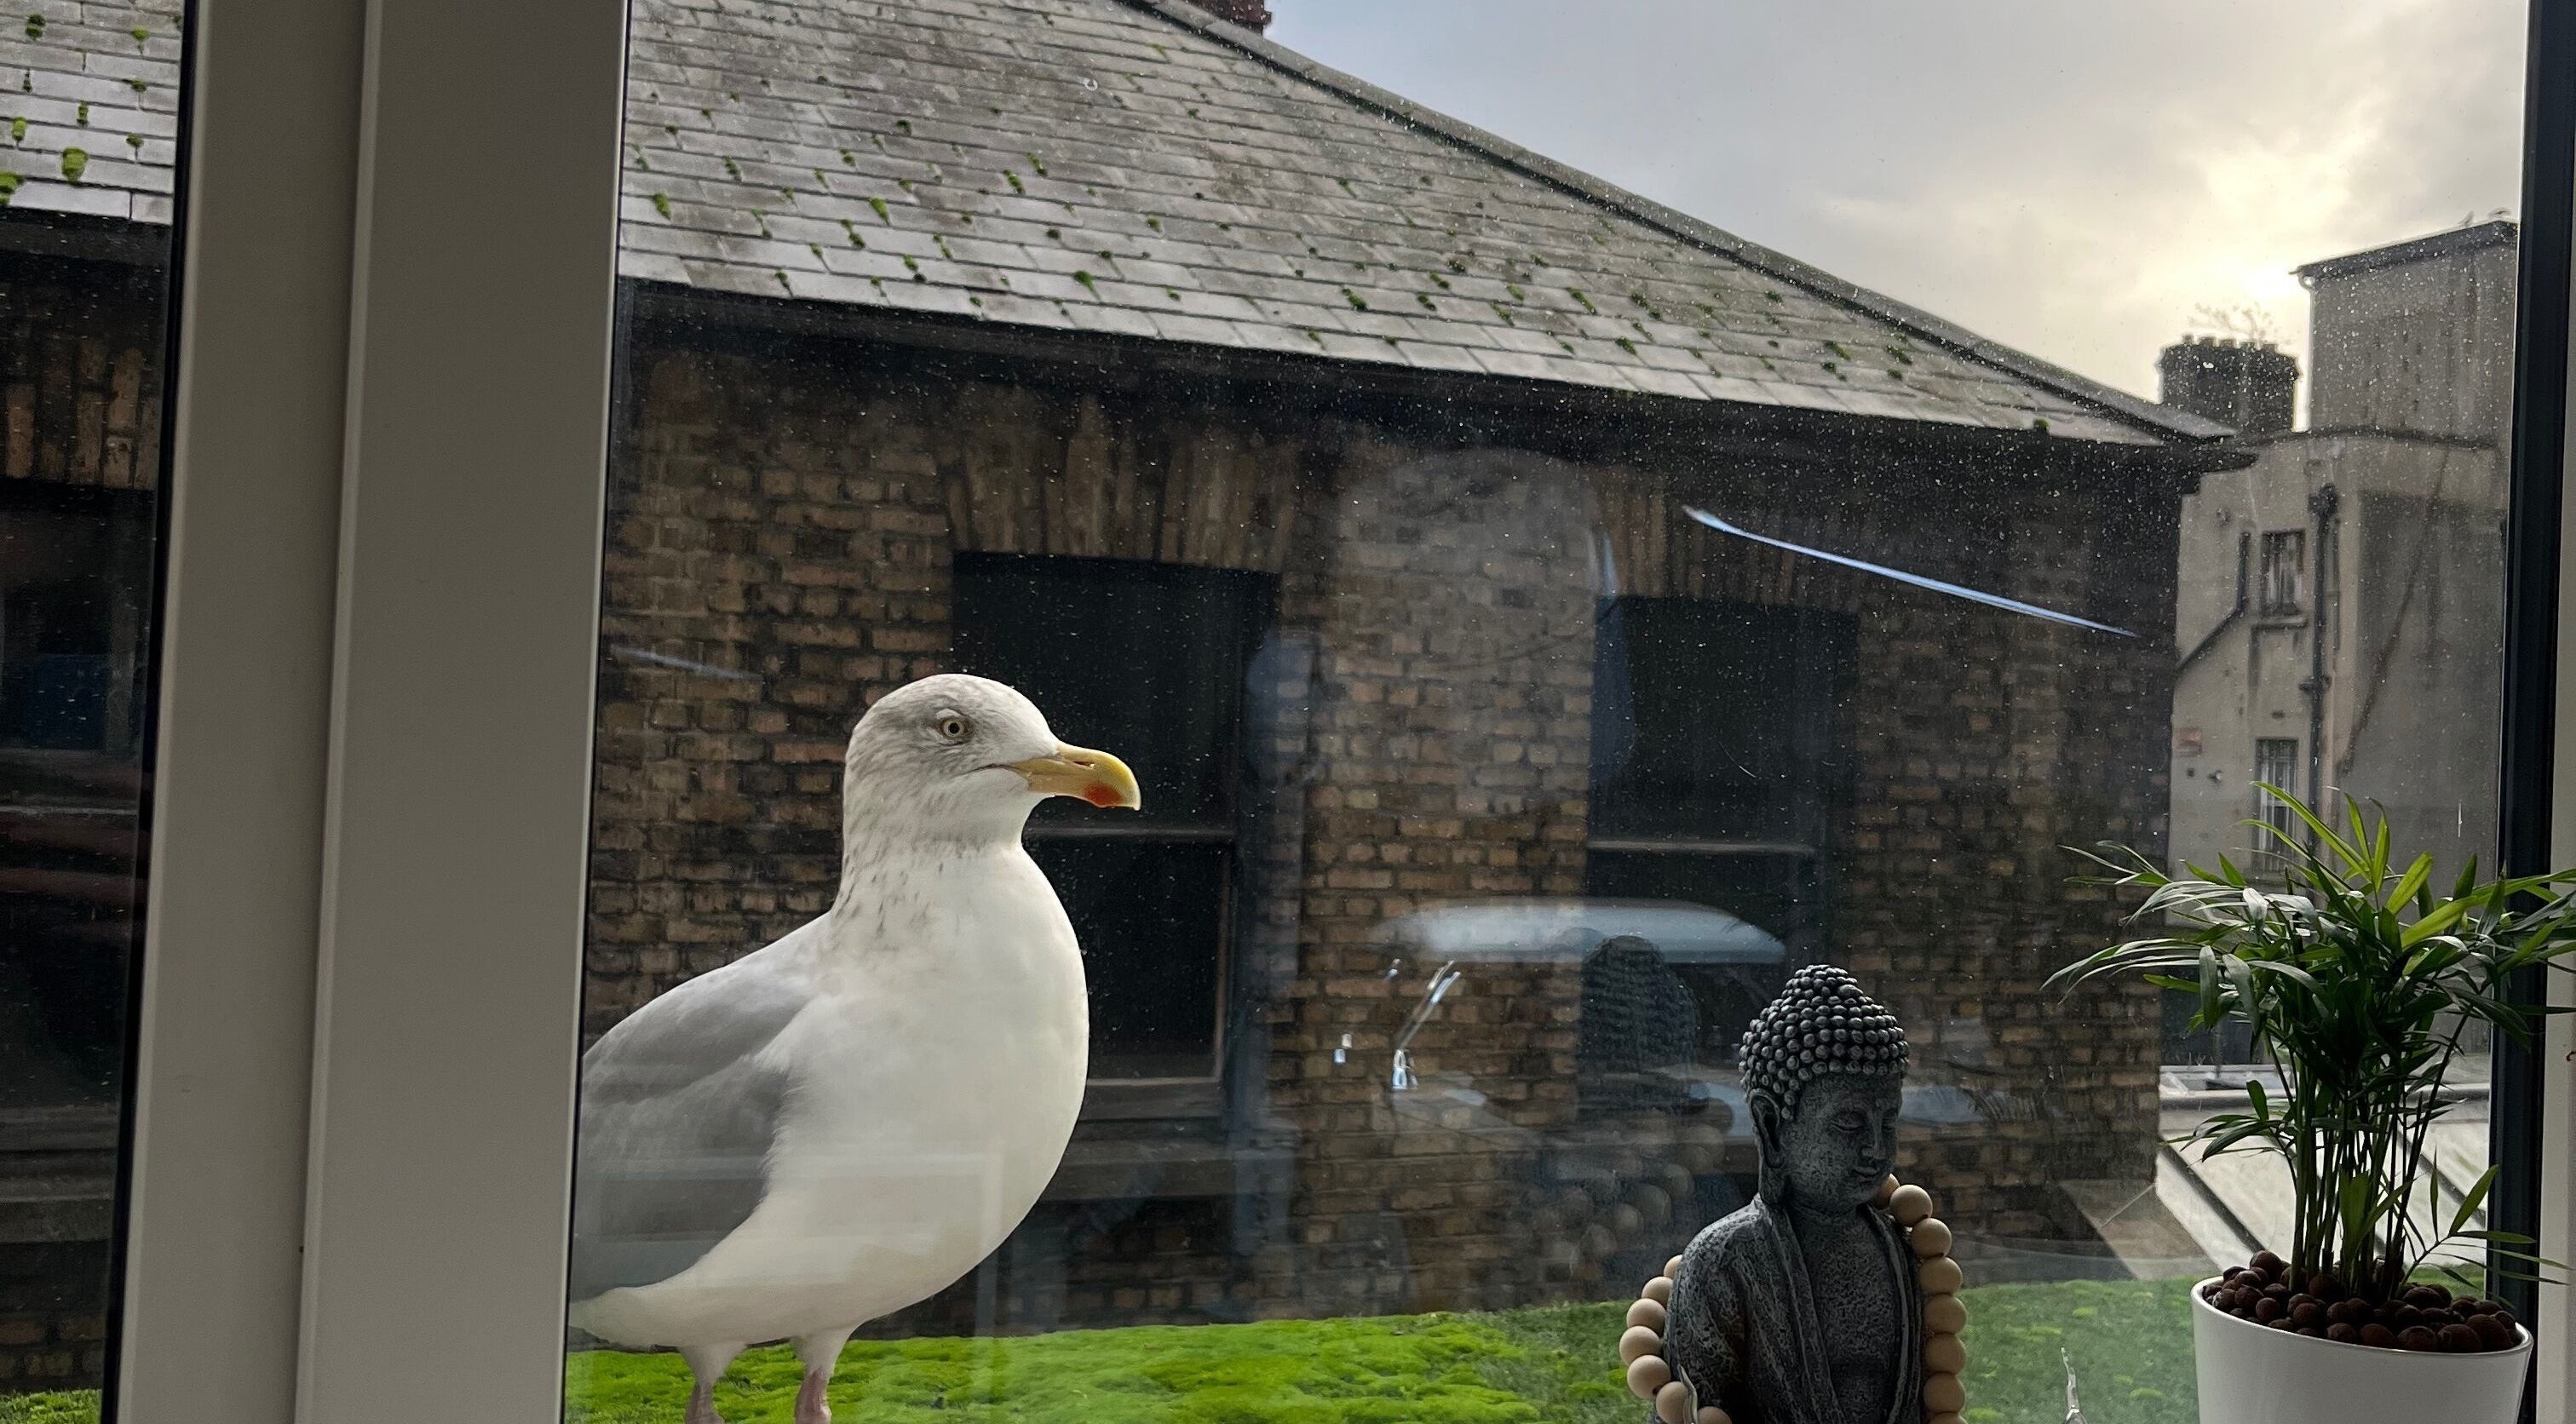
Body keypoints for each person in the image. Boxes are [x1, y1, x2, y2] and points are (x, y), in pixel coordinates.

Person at [1660, 965, 1918, 1424]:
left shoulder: (1901, 1248)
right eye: (1849, 1124)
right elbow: (1691, 1406)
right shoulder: (1726, 1259)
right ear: (1772, 1126)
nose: (1876, 1148)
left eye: (1889, 1123)